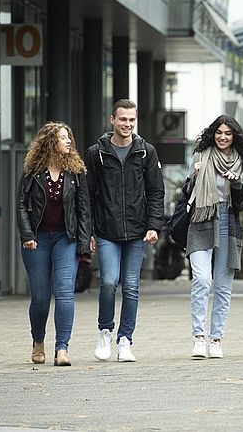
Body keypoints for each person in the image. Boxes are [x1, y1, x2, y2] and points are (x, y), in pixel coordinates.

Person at [84, 99, 165, 362]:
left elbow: (155, 192)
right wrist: (90, 231)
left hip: (137, 230)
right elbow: (87, 195)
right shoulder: (96, 153)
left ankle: (125, 339)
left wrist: (154, 225)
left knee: (131, 286)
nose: (127, 124)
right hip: (106, 230)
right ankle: (105, 331)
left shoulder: (146, 152)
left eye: (131, 120)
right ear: (112, 120)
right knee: (108, 282)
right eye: (122, 119)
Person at [187, 115, 243, 359]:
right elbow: (186, 195)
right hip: (201, 219)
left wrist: (238, 185)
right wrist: (194, 177)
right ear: (213, 134)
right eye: (219, 132)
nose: (222, 137)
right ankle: (199, 337)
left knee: (222, 286)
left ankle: (216, 339)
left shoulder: (242, 163)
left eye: (228, 133)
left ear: (235, 136)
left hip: (228, 221)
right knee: (201, 279)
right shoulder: (201, 156)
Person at [16, 122, 91, 366]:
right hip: (36, 240)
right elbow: (21, 205)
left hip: (65, 238)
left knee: (65, 293)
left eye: (69, 137)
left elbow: (83, 209)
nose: (68, 141)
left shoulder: (76, 172)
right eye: (63, 137)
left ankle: (62, 349)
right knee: (40, 297)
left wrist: (83, 241)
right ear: (50, 142)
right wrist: (27, 234)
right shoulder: (32, 171)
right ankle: (38, 340)